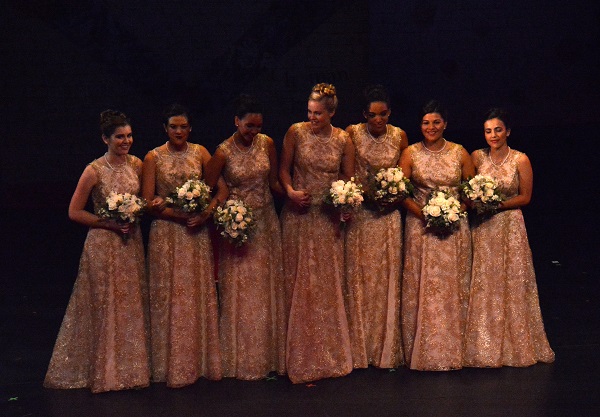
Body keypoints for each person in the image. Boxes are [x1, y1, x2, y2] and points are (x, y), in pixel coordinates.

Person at [44, 110, 150, 393]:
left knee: (128, 304)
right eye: (119, 137)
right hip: (104, 243)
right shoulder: (94, 170)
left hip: (130, 243)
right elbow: (74, 211)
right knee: (103, 304)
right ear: (105, 138)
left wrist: (134, 214)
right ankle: (103, 371)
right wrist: (110, 223)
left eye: (129, 136)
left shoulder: (138, 164)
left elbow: (144, 200)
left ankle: (130, 369)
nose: (126, 141)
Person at [463, 108, 555, 367]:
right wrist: (478, 203)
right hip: (483, 226)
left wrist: (497, 205)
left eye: (498, 130)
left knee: (512, 280)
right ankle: (484, 344)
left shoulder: (520, 159)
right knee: (486, 280)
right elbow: (468, 191)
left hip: (510, 225)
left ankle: (515, 344)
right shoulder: (477, 156)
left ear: (508, 131)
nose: (493, 135)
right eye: (488, 130)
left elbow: (525, 197)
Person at [142, 104, 225, 387]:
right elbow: (148, 202)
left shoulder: (201, 152)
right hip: (166, 234)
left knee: (194, 296)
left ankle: (199, 362)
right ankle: (167, 365)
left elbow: (221, 190)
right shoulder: (153, 157)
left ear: (190, 129)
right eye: (173, 127)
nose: (179, 131)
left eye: (183, 127)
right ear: (165, 129)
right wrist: (179, 215)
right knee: (169, 297)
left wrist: (205, 213)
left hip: (195, 234)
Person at [204, 94, 286, 380]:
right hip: (238, 227)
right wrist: (227, 212)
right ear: (236, 121)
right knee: (243, 290)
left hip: (266, 223)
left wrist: (294, 195)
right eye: (249, 126)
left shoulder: (267, 144)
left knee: (266, 287)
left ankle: (271, 357)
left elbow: (273, 181)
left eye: (258, 126)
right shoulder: (223, 152)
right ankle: (242, 358)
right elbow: (208, 187)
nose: (254, 132)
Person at [279, 83, 355, 383]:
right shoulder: (295, 132)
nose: (312, 118)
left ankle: (327, 352)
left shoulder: (343, 139)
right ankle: (296, 352)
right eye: (310, 112)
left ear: (332, 113)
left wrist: (345, 203)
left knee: (324, 282)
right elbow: (283, 170)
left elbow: (347, 178)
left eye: (319, 114)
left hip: (326, 218)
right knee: (297, 280)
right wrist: (290, 191)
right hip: (299, 214)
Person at [400, 100, 475, 371]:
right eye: (425, 122)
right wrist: (427, 215)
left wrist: (454, 211)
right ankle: (420, 348)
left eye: (436, 122)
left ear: (445, 124)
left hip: (454, 227)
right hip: (421, 227)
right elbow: (402, 192)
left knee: (451, 285)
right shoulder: (410, 153)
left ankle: (456, 347)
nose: (430, 127)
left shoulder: (460, 153)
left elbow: (471, 192)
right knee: (423, 285)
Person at [344, 85, 408, 369]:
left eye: (383, 114)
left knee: (386, 278)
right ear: (363, 115)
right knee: (360, 278)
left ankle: (385, 349)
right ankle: (358, 349)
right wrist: (365, 195)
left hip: (388, 214)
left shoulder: (399, 135)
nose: (378, 120)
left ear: (390, 113)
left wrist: (392, 196)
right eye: (372, 115)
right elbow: (345, 170)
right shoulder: (353, 133)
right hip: (362, 213)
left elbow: (406, 174)